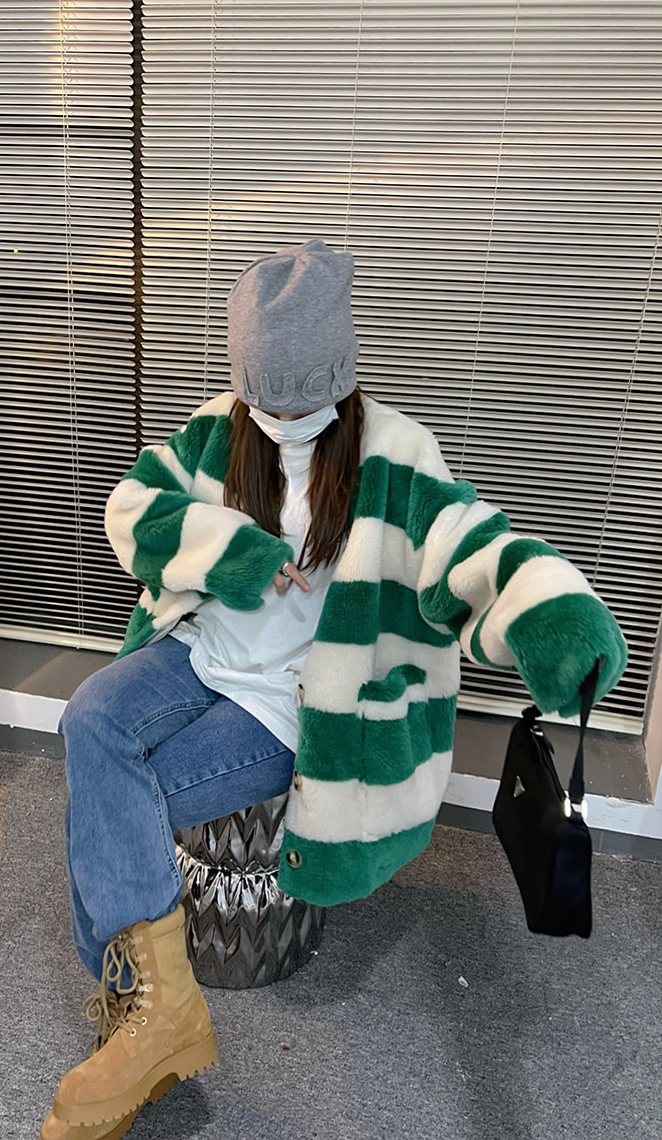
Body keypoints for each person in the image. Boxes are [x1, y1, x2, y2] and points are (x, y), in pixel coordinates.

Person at [40, 240, 627, 1140]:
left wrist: (551, 615)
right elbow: (135, 509)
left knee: (127, 791)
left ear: (340, 376)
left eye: (299, 400)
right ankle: (154, 1009)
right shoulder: (217, 427)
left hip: (297, 699)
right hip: (200, 649)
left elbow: (473, 543)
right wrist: (231, 551)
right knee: (87, 719)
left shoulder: (395, 453)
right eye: (263, 400)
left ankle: (143, 1007)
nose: (280, 419)